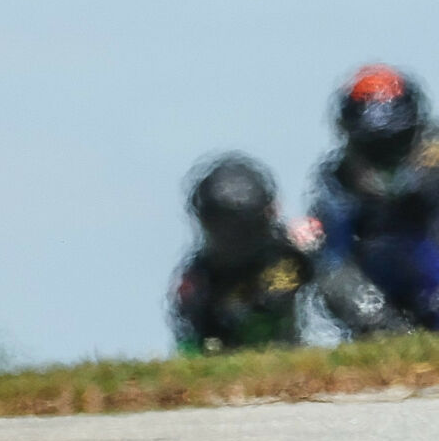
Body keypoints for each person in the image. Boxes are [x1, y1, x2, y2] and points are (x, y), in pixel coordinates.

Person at [305, 64, 439, 336]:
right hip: (383, 304)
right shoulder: (336, 183)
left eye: (396, 141)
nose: (386, 156)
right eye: (373, 146)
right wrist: (375, 316)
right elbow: (334, 264)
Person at [169, 155, 312, 354]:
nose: (234, 237)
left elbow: (334, 271)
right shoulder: (198, 285)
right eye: (224, 228)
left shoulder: (296, 250)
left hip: (299, 350)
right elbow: (191, 351)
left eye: (244, 228)